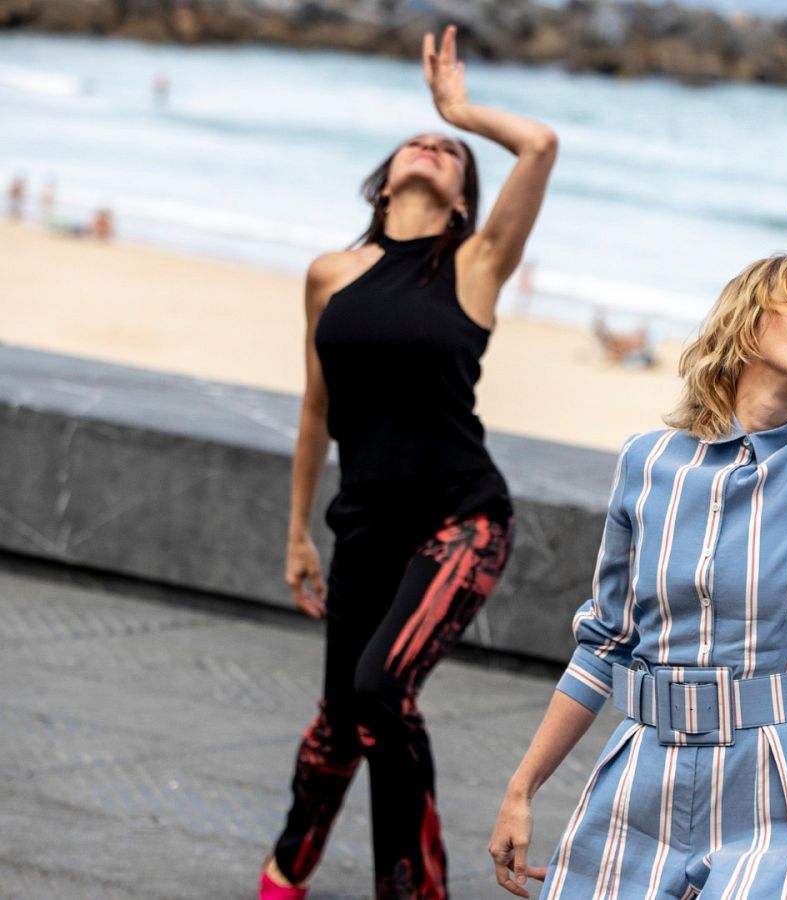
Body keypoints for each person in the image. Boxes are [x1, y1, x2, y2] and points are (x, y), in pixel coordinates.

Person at [485, 195, 787, 899]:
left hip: (772, 788)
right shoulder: (649, 463)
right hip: (641, 775)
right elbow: (605, 644)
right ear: (749, 325)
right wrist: (522, 787)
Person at [263, 25, 559, 900]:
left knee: (381, 686)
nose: (434, 145)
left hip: (462, 517)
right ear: (384, 179)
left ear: (464, 195)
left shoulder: (473, 264)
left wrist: (461, 108)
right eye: (420, 140)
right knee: (342, 717)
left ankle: (415, 888)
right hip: (363, 524)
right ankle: (288, 864)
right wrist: (297, 534)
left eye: (451, 151)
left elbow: (540, 144)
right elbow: (318, 408)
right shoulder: (330, 273)